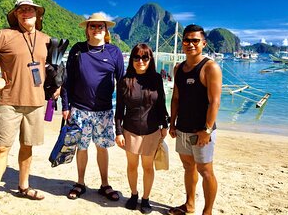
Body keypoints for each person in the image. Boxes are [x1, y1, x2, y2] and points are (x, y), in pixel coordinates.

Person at [0, 0, 57, 215]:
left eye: (31, 10)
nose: (26, 13)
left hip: (36, 103)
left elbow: (54, 68)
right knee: (2, 148)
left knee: (28, 147)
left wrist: (57, 87)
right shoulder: (5, 35)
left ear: (38, 15)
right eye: (21, 10)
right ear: (16, 15)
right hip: (10, 101)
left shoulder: (47, 40)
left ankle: (23, 186)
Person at [60, 13, 124, 201]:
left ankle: (105, 184)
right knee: (82, 147)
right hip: (79, 109)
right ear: (87, 30)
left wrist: (122, 113)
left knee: (102, 148)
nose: (96, 29)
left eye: (100, 26)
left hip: (104, 111)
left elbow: (122, 84)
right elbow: (67, 80)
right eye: (92, 26)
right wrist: (65, 106)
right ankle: (80, 182)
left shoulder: (114, 52)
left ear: (106, 30)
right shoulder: (78, 50)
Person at [168, 24, 222, 215]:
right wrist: (172, 123)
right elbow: (176, 98)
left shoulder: (210, 67)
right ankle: (190, 205)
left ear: (203, 43)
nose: (190, 44)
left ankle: (207, 212)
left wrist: (207, 130)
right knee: (188, 167)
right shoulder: (178, 68)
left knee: (206, 171)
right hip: (182, 128)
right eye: (186, 40)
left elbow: (215, 102)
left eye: (195, 40)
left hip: (202, 131)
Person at [115, 43, 169, 214]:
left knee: (147, 167)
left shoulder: (156, 79)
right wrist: (118, 132)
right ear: (131, 60)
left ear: (150, 59)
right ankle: (133, 195)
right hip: (130, 130)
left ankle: (145, 198)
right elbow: (119, 110)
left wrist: (165, 125)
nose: (140, 61)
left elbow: (161, 104)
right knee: (132, 166)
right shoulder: (124, 81)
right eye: (136, 57)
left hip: (151, 130)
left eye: (145, 57)